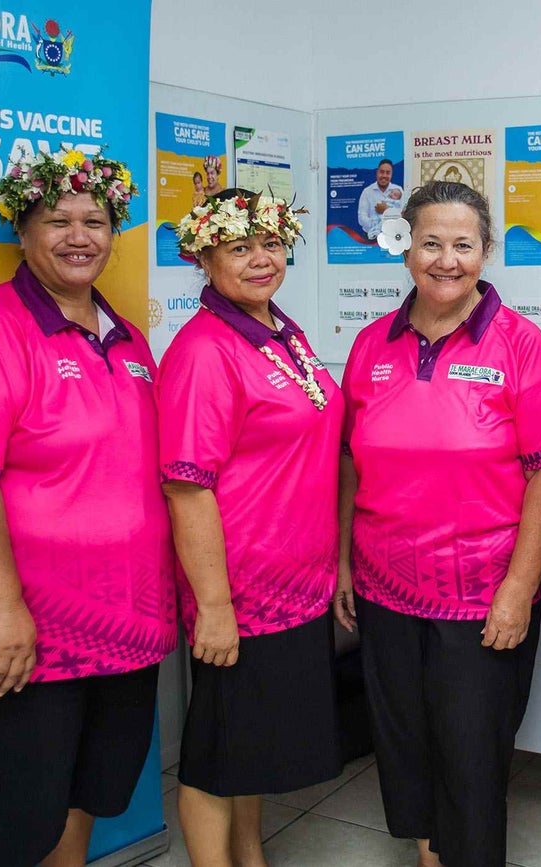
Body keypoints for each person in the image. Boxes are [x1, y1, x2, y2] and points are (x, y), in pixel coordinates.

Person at [0, 148, 176, 867]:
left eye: (95, 219)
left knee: (87, 792)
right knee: (8, 823)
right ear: (21, 233)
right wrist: (1, 606)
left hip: (123, 625)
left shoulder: (129, 339)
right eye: (57, 220)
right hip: (23, 635)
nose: (78, 234)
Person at [336, 180, 541, 867]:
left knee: (471, 756)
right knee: (405, 743)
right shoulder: (371, 345)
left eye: (463, 245)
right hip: (385, 590)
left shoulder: (521, 345)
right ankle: (427, 855)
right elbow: (352, 459)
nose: (446, 259)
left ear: (485, 252)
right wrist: (346, 562)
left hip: (480, 595)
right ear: (404, 248)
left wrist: (518, 586)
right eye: (430, 242)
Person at [161, 189, 342, 865]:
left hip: (294, 583)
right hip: (239, 591)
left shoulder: (278, 329)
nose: (261, 258)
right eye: (240, 246)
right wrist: (213, 606)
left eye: (270, 241)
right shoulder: (205, 349)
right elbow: (186, 485)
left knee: (251, 748)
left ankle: (250, 855)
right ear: (205, 256)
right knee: (216, 752)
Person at [357, 158, 405, 239]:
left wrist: (386, 210)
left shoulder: (398, 190)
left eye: (388, 173)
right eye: (382, 172)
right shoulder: (367, 192)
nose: (384, 176)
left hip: (392, 237)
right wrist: (375, 228)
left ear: (391, 174)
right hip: (371, 237)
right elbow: (362, 218)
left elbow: (404, 215)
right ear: (377, 172)